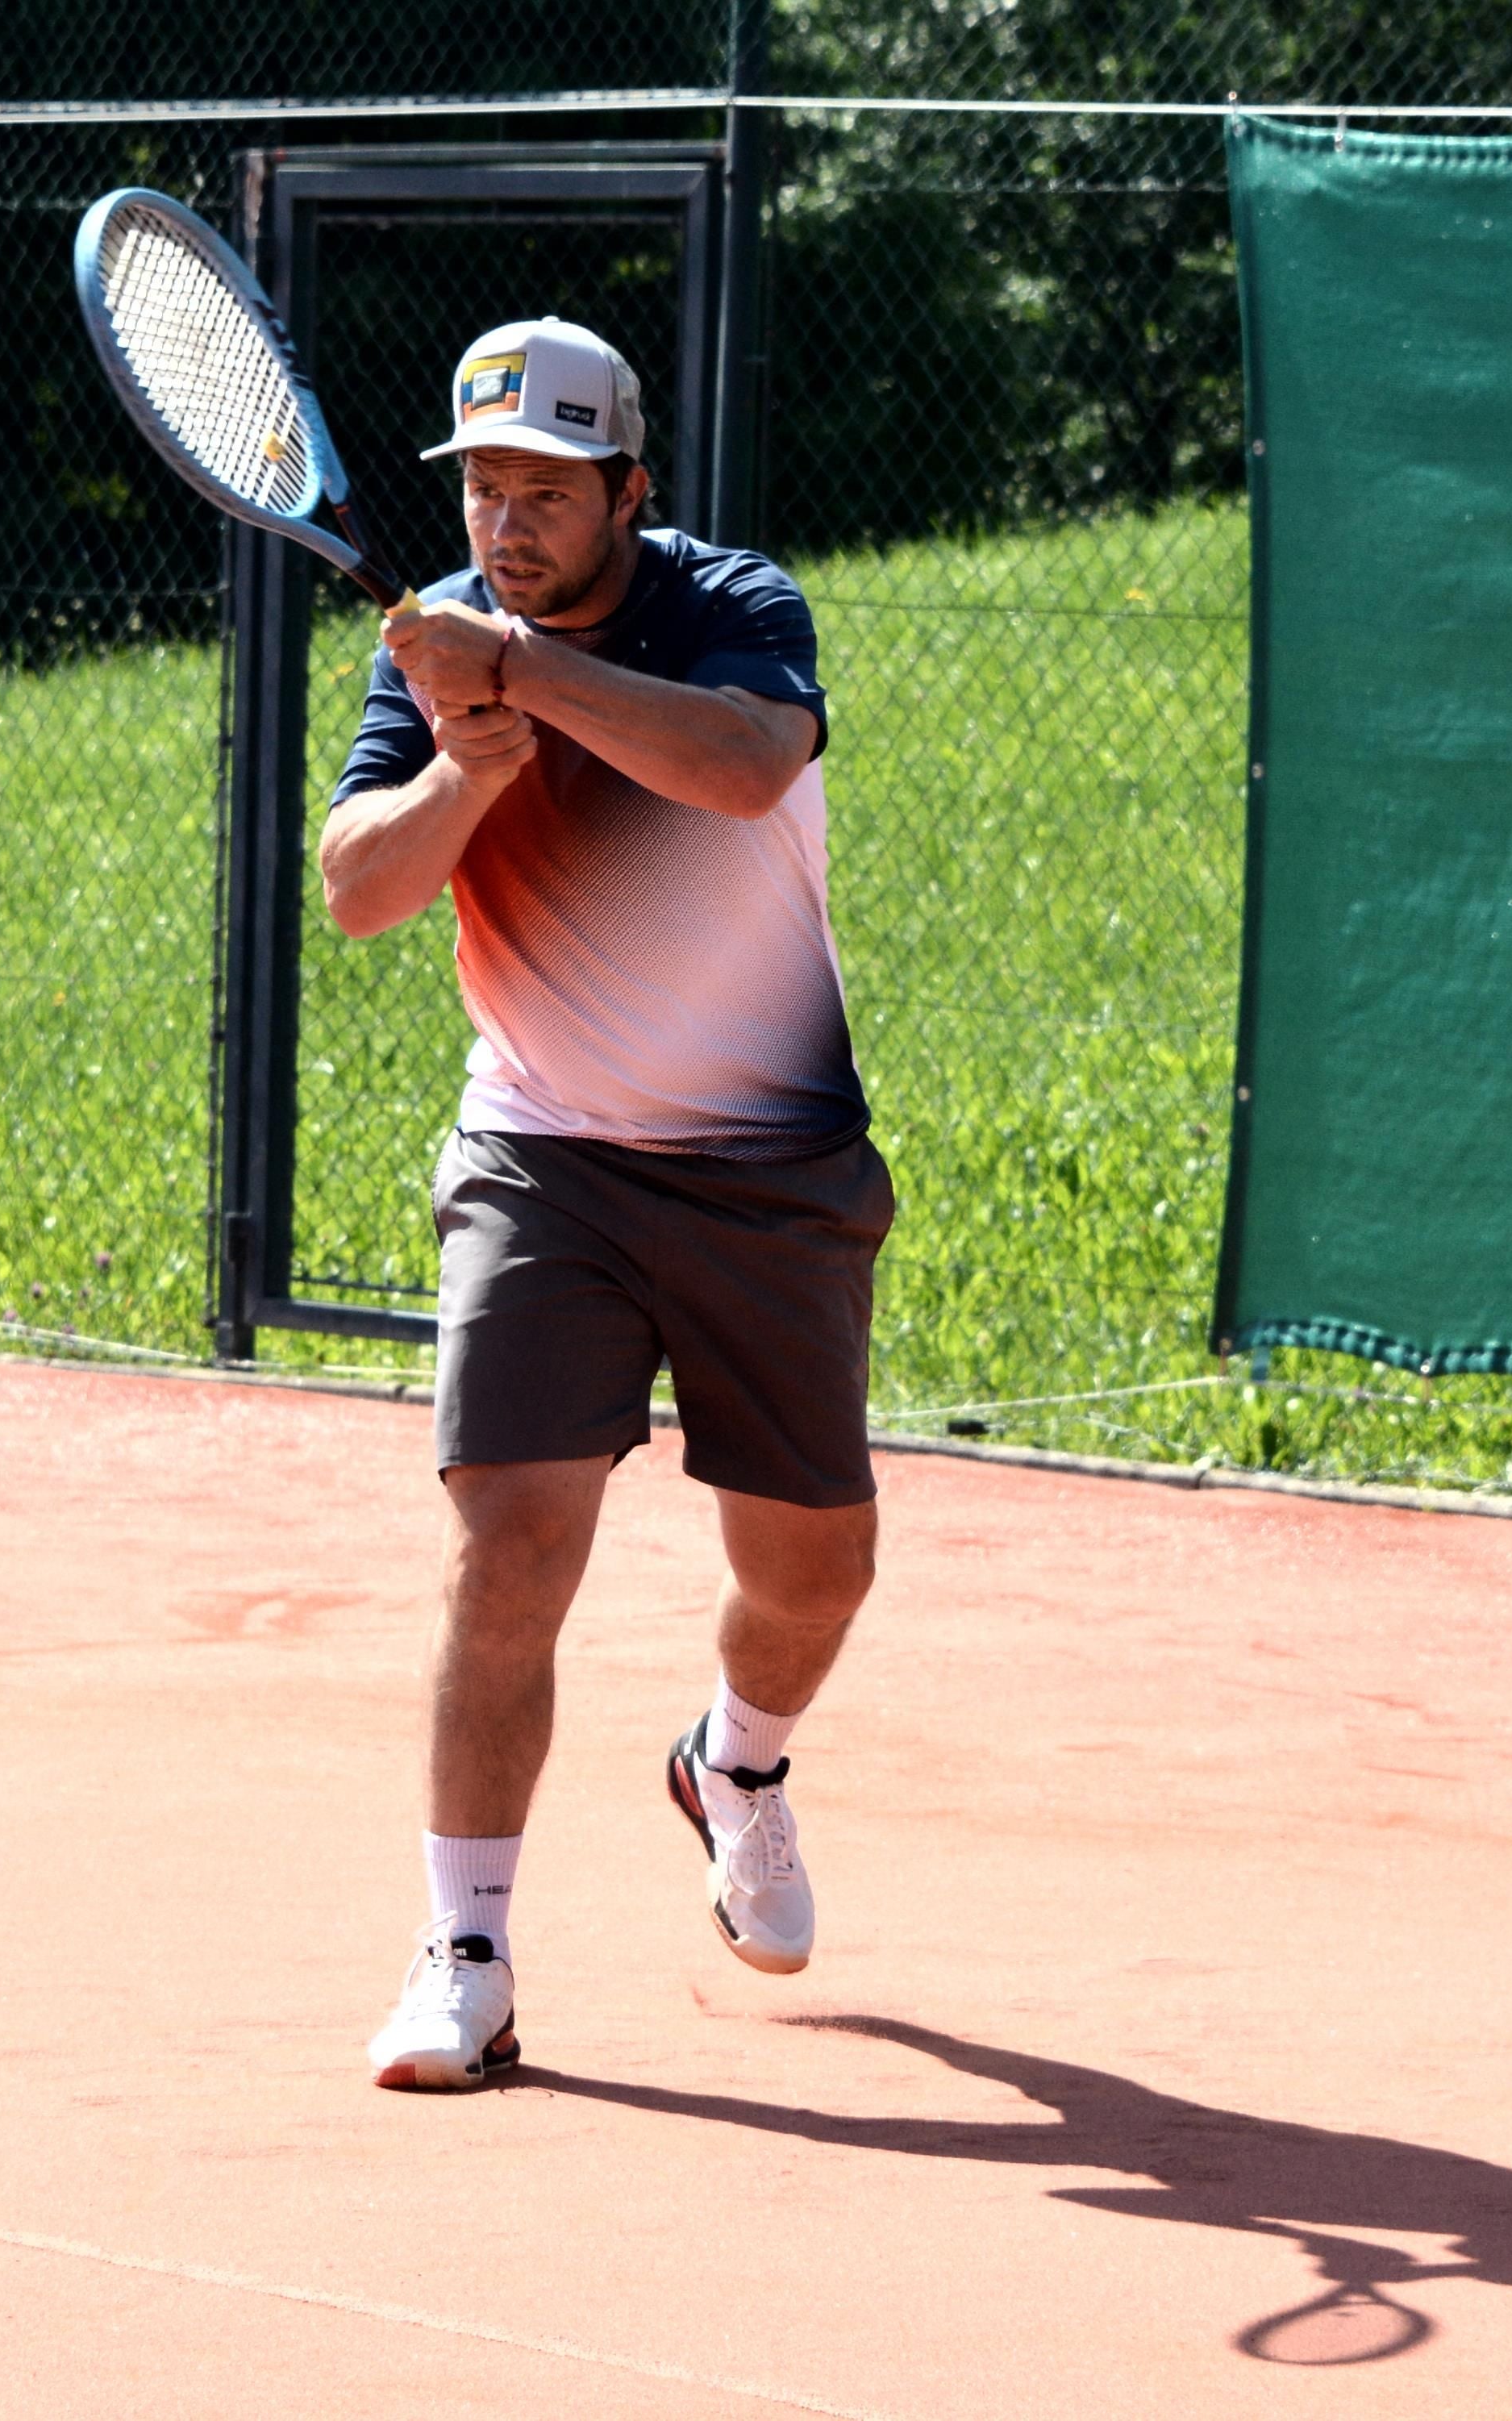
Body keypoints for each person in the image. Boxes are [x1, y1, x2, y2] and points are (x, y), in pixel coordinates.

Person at [323, 318, 893, 2091]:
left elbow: (743, 764)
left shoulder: (735, 601)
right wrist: (463, 761)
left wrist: (531, 678)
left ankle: (736, 1758)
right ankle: (465, 1953)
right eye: (482, 486)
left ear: (629, 494)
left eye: (546, 493)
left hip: (765, 1162)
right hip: (542, 1158)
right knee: (505, 1552)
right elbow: (354, 890)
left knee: (807, 1570)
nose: (507, 521)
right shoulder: (431, 643)